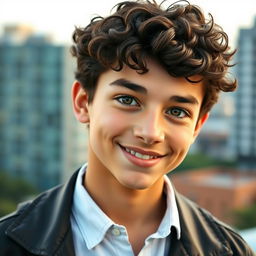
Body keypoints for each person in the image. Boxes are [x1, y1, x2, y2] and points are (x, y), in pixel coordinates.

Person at [0, 0, 254, 255]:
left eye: (177, 112)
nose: (150, 132)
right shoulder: (7, 244)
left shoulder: (231, 251)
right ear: (83, 103)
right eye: (127, 100)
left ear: (198, 126)